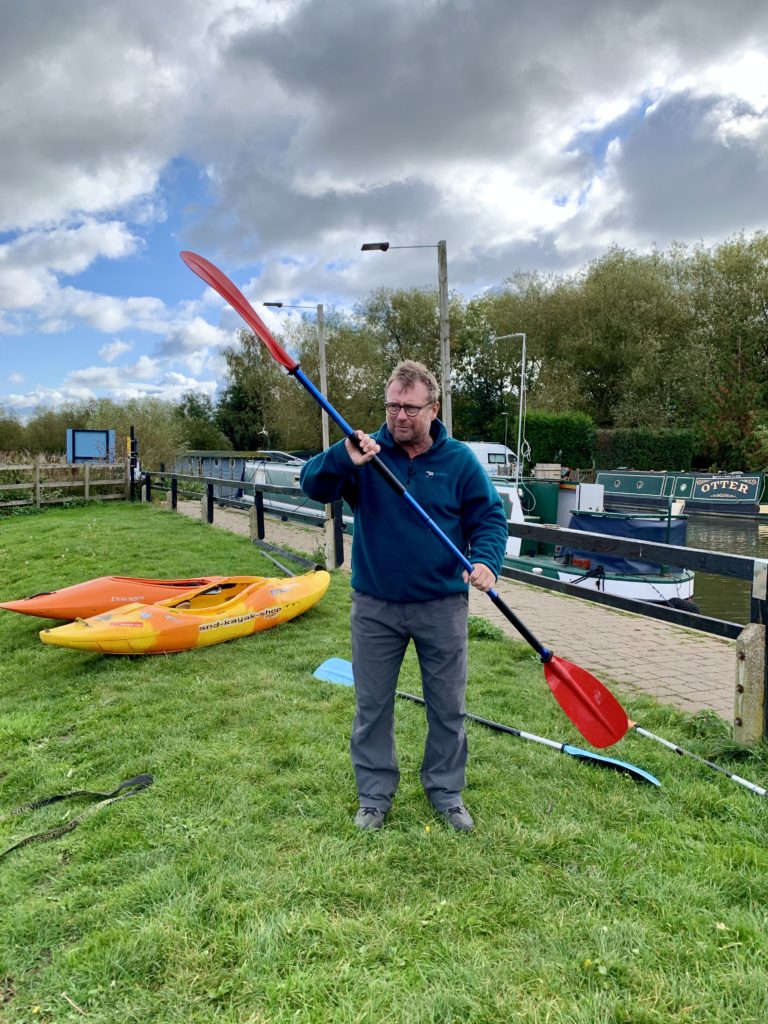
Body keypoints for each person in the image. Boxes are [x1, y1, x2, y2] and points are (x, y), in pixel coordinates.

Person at [300, 360, 509, 832]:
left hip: (442, 605)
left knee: (447, 706)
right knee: (372, 705)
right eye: (392, 405)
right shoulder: (365, 452)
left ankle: (446, 792)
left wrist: (487, 563)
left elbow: (489, 519)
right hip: (376, 605)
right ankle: (374, 796)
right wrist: (342, 457)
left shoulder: (458, 462)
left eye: (410, 408)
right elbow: (313, 485)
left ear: (433, 409)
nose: (399, 416)